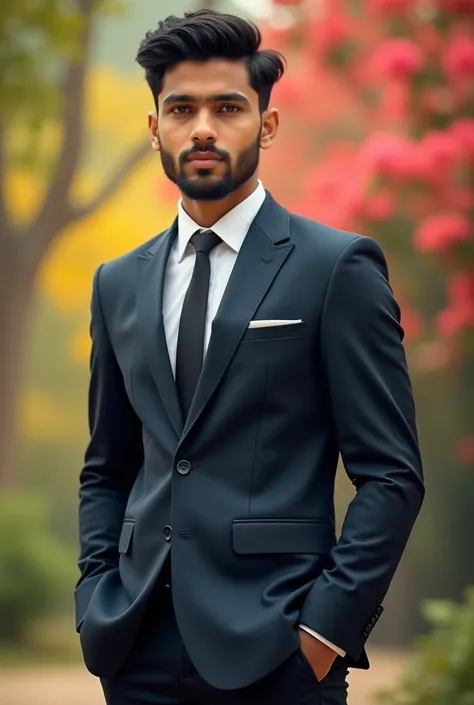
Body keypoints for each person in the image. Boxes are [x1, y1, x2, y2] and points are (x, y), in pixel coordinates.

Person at [75, 9, 425, 705]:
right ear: (155, 130)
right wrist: (95, 594)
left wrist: (325, 630)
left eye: (227, 107)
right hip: (136, 648)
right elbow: (107, 465)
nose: (202, 126)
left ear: (266, 125)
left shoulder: (336, 268)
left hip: (280, 652)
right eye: (181, 108)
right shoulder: (117, 283)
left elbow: (391, 474)